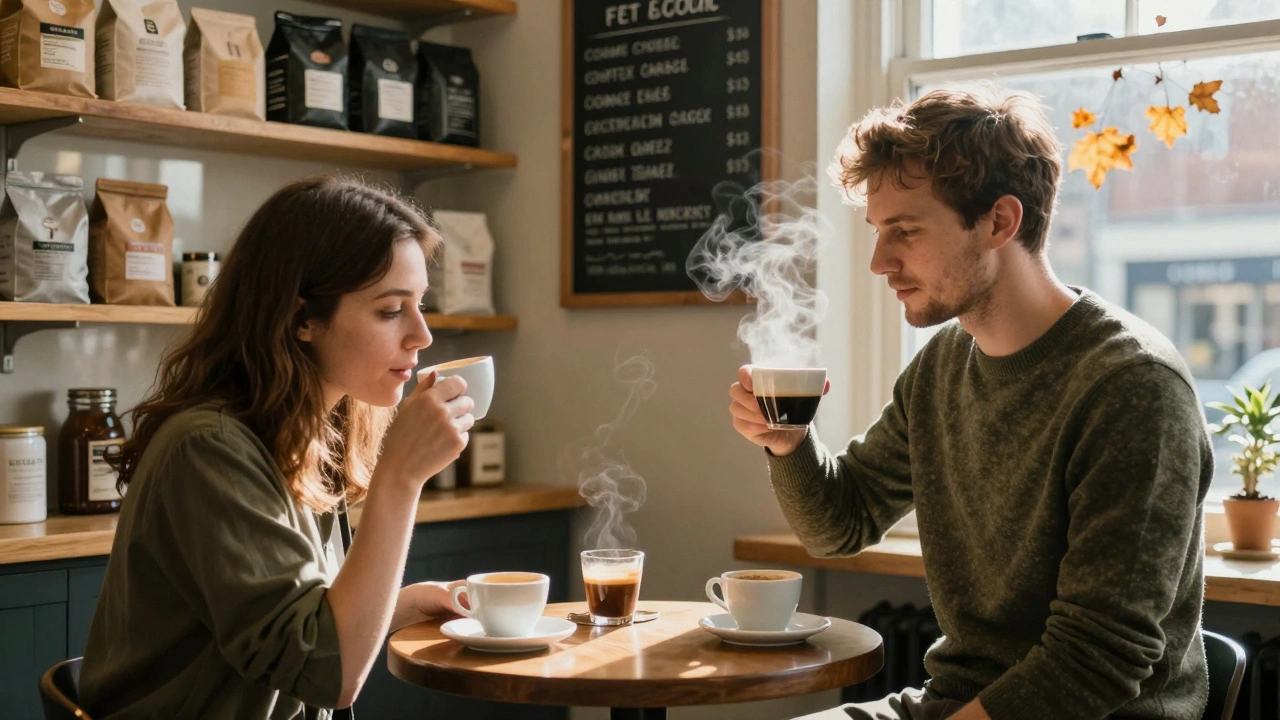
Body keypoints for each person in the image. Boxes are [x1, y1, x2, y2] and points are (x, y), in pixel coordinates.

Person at [728, 86, 1212, 720]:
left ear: (999, 222)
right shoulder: (942, 365)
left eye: (904, 231)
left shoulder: (1132, 387)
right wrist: (789, 443)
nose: (880, 261)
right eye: (878, 232)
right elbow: (840, 525)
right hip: (953, 704)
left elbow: (1095, 661)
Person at [80, 176, 475, 719]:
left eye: (420, 305)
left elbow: (309, 623)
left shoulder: (310, 431)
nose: (423, 335)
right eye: (390, 310)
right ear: (301, 319)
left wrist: (407, 603)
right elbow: (325, 674)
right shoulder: (210, 449)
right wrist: (401, 480)